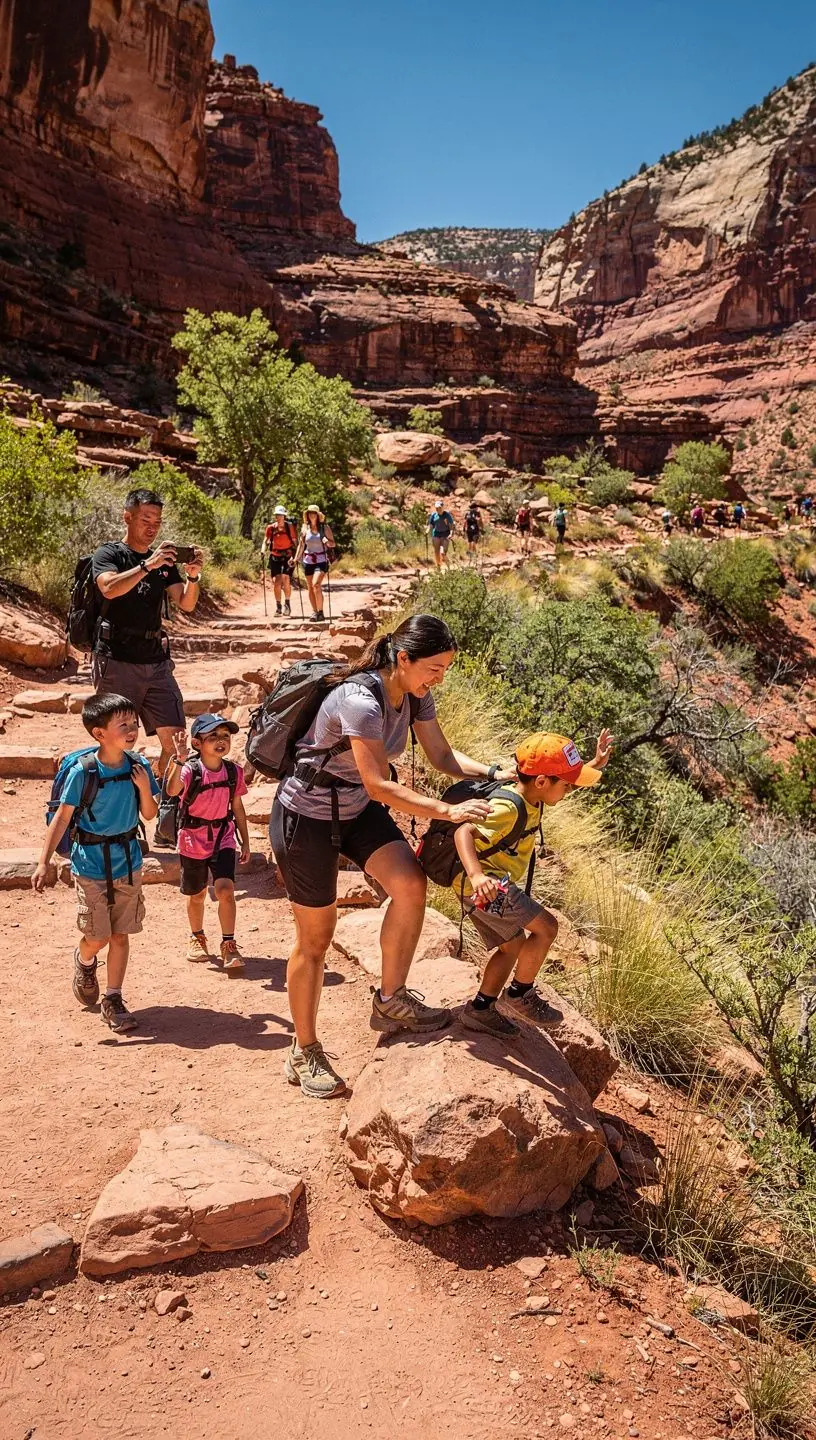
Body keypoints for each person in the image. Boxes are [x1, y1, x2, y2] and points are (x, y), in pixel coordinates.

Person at [270, 614, 500, 1100]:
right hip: (305, 816)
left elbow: (442, 755)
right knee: (316, 940)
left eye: (445, 669)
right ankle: (304, 1049)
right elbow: (378, 782)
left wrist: (499, 772)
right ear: (403, 659)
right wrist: (448, 810)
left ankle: (390, 1000)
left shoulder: (415, 694)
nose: (440, 678)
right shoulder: (360, 701)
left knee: (410, 886)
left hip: (352, 809)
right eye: (433, 668)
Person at [456, 731, 613, 1038]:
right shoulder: (509, 808)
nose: (568, 790)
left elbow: (561, 780)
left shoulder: (534, 792)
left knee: (513, 945)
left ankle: (480, 1009)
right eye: (566, 785)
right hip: (484, 886)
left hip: (488, 884)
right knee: (547, 927)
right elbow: (463, 832)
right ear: (542, 782)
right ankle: (518, 995)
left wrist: (595, 762)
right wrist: (477, 876)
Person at [32, 693, 160, 1034]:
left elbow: (149, 814)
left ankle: (113, 998)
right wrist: (43, 862)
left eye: (134, 723)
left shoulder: (139, 767)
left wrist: (146, 788)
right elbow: (61, 818)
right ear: (99, 733)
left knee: (120, 935)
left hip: (129, 862)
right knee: (97, 937)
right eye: (123, 725)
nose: (132, 730)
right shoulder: (83, 771)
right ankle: (85, 960)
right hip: (89, 866)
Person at [90, 487, 203, 786]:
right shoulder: (110, 553)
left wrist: (192, 576)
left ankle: (163, 807)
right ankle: (120, 806)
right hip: (116, 659)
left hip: (155, 660)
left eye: (157, 521)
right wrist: (146, 565)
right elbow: (109, 587)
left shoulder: (164, 563)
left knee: (177, 739)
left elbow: (187, 603)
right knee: (116, 741)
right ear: (127, 517)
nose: (152, 527)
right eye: (145, 519)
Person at [164, 714, 250, 974]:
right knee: (197, 893)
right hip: (192, 838)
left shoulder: (234, 771)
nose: (221, 741)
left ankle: (229, 943)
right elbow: (171, 790)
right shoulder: (190, 770)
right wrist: (178, 759)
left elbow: (237, 806)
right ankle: (197, 936)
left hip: (223, 835)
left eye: (225, 736)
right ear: (197, 743)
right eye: (212, 736)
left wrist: (245, 840)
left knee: (225, 889)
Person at [295, 505, 335, 622]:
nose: (312, 515)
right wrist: (296, 559)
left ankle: (321, 612)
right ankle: (315, 612)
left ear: (318, 515)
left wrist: (327, 542)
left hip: (321, 560)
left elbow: (333, 544)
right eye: (310, 513)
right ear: (307, 515)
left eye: (314, 513)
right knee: (310, 588)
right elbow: (301, 545)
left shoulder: (324, 528)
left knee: (316, 584)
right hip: (308, 561)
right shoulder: (305, 528)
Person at [262, 506, 297, 616]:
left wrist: (296, 556)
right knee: (277, 582)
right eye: (277, 515)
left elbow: (295, 542)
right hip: (275, 556)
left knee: (286, 578)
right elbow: (265, 541)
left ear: (284, 516)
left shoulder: (289, 527)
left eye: (281, 515)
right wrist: (263, 550)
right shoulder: (271, 528)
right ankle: (278, 607)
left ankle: (287, 604)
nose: (279, 517)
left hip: (288, 556)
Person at [428, 499, 455, 567]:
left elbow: (451, 525)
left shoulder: (447, 515)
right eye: (436, 508)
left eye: (439, 508)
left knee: (442, 553)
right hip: (436, 534)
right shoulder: (434, 515)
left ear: (442, 507)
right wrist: (428, 530)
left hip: (445, 535)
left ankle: (448, 565)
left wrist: (451, 533)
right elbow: (431, 524)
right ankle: (438, 567)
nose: (438, 509)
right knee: (436, 552)